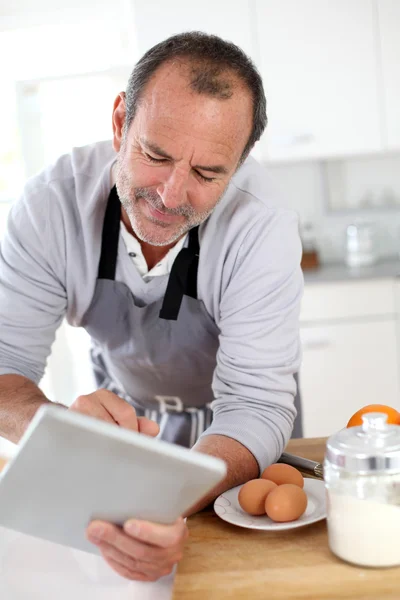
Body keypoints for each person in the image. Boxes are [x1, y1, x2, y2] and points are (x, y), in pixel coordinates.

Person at [0, 31, 303, 581]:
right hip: (127, 429)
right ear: (120, 123)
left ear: (239, 163)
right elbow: (3, 368)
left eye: (208, 174)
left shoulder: (263, 225)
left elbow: (256, 404)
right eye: (155, 155)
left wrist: (165, 500)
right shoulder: (49, 208)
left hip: (236, 438)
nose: (170, 195)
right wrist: (65, 430)